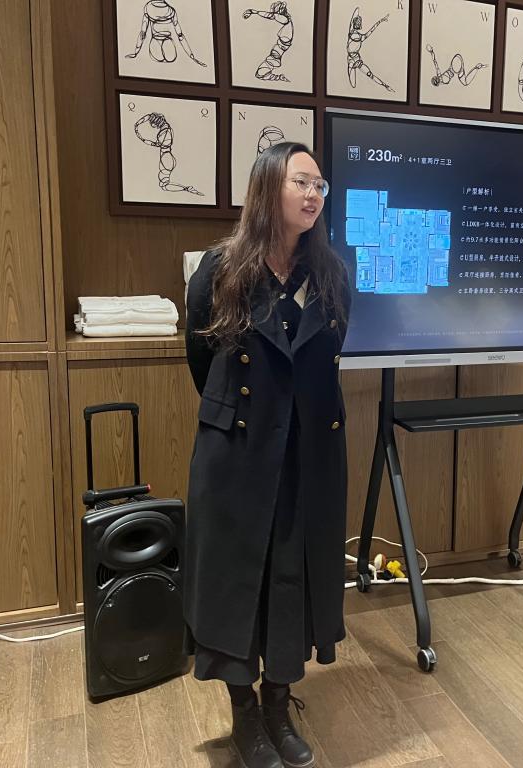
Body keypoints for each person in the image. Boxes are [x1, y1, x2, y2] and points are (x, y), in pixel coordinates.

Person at [184, 142, 351, 768]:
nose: (313, 194)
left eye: (319, 185)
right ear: (266, 188)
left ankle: (279, 703)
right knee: (236, 580)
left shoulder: (331, 273)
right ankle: (244, 714)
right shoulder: (221, 269)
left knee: (293, 573)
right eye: (300, 181)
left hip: (309, 450)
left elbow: (328, 353)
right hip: (238, 448)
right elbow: (201, 360)